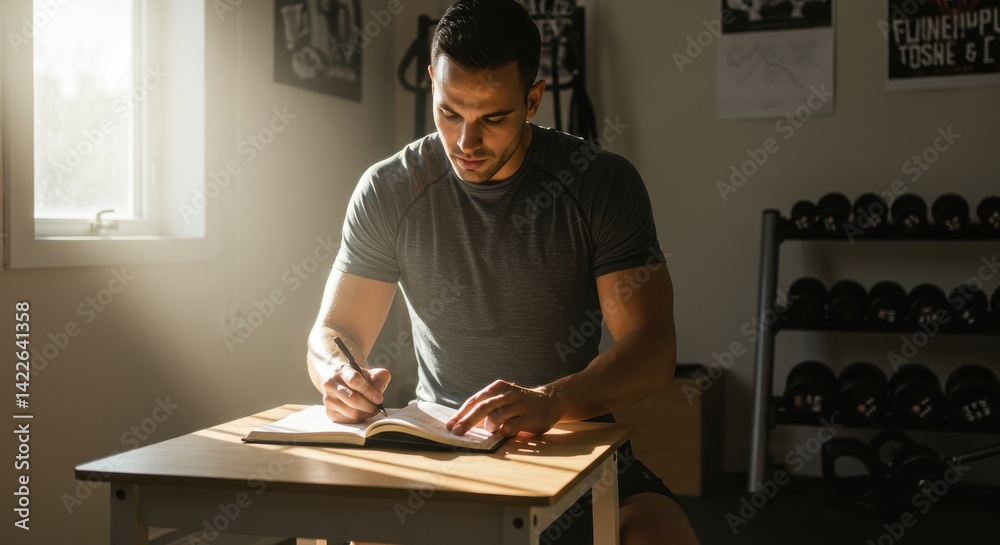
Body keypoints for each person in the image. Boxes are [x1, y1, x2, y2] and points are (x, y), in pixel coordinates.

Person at [307, 1, 700, 543]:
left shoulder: (601, 183)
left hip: (570, 440)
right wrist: (337, 373)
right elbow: (333, 332)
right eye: (450, 113)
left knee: (662, 535)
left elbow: (653, 345)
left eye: (492, 118)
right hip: (441, 449)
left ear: (533, 99)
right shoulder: (388, 188)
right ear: (431, 83)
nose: (466, 142)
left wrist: (554, 400)